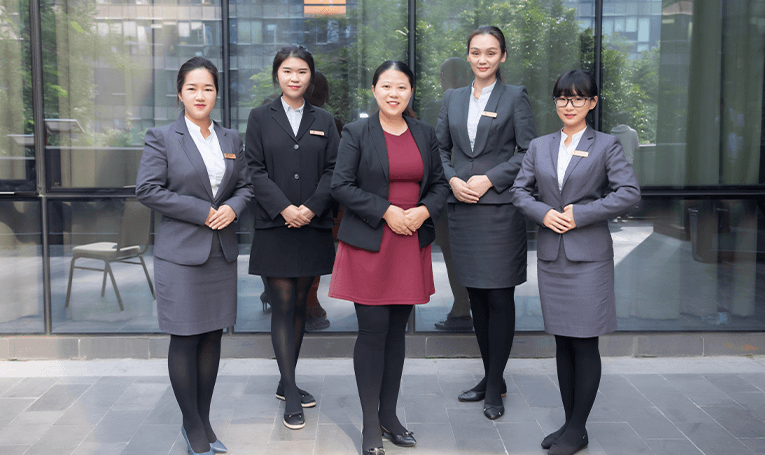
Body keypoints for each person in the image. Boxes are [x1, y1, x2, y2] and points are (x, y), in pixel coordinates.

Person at [511, 70, 640, 455]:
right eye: (563, 98)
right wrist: (544, 213)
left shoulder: (607, 145)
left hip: (589, 259)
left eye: (578, 98)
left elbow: (629, 192)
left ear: (592, 102)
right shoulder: (539, 146)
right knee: (564, 342)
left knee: (584, 343)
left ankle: (577, 427)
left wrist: (580, 214)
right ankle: (571, 427)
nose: (569, 105)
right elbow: (519, 191)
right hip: (553, 257)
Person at [329, 60, 449, 455]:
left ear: (411, 91)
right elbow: (341, 185)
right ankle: (369, 424)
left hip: (409, 242)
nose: (393, 93)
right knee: (373, 330)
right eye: (386, 86)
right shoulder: (357, 132)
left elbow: (439, 185)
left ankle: (389, 416)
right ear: (374, 90)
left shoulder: (424, 133)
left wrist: (423, 211)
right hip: (371, 242)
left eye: (401, 87)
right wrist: (386, 211)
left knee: (397, 332)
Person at [136, 57, 253, 455]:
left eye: (208, 88)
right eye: (192, 88)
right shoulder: (162, 137)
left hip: (220, 254)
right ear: (180, 93)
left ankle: (204, 420)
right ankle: (191, 424)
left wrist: (233, 207)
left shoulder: (231, 138)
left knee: (212, 335)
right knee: (185, 336)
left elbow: (247, 186)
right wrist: (202, 211)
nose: (200, 95)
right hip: (181, 254)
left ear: (217, 93)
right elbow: (147, 189)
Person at [435, 25, 536, 420]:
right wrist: (453, 180)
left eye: (491, 52)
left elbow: (527, 151)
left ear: (502, 56)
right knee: (476, 298)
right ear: (468, 55)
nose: (482, 59)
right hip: (462, 208)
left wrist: (490, 178)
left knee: (498, 298)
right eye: (476, 52)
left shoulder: (515, 96)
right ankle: (491, 375)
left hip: (499, 211)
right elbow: (439, 149)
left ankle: (494, 385)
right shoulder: (453, 98)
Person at [245, 45, 340, 430]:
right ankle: (290, 389)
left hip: (312, 226)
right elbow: (253, 169)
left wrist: (312, 208)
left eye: (302, 71)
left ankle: (287, 381)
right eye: (287, 71)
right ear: (277, 75)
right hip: (276, 226)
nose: (295, 77)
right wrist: (285, 208)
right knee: (283, 304)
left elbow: (335, 169)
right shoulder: (259, 117)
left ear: (310, 76)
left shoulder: (325, 120)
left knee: (301, 304)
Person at [422, 57, 474, 332]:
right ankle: (465, 306)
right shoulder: (473, 104)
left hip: (444, 191)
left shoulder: (436, 106)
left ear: (443, 78)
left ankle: (462, 307)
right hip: (473, 190)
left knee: (453, 254)